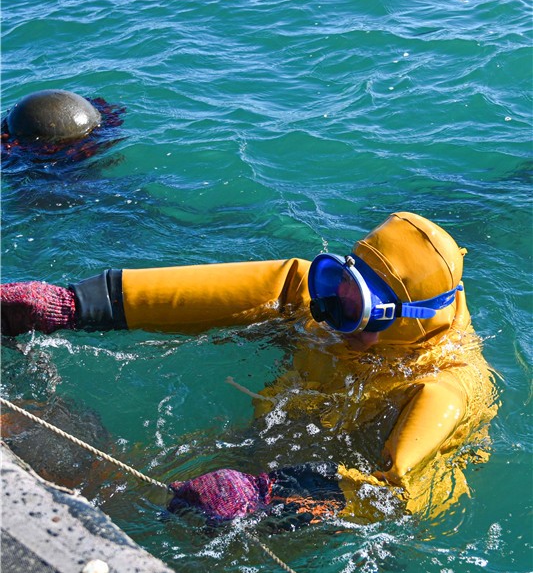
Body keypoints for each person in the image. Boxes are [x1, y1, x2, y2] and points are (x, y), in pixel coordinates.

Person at [0, 212, 498, 526]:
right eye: (337, 284)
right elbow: (231, 290)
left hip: (332, 505)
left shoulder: (443, 389)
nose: (329, 314)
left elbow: (400, 493)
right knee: (120, 494)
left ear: (401, 320)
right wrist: (75, 305)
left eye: (353, 309)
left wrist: (268, 497)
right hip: (270, 444)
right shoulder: (325, 302)